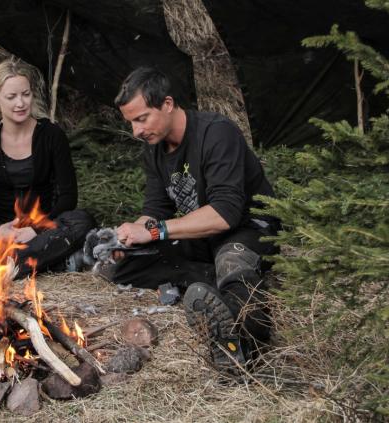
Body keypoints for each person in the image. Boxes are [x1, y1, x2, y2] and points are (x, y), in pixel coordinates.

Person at [111, 67, 280, 371]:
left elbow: (225, 213)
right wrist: (136, 232)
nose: (136, 131)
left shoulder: (216, 133)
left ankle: (241, 343)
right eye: (131, 123)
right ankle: (215, 286)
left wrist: (154, 231)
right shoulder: (154, 149)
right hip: (203, 235)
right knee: (123, 264)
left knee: (231, 261)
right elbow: (157, 208)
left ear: (167, 104)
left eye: (141, 119)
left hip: (248, 227)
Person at [0, 58, 95, 276]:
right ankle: (44, 262)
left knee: (82, 221)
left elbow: (68, 197)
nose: (20, 103)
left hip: (43, 230)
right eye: (11, 97)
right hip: (4, 232)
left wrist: (36, 229)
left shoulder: (52, 135)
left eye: (26, 94)